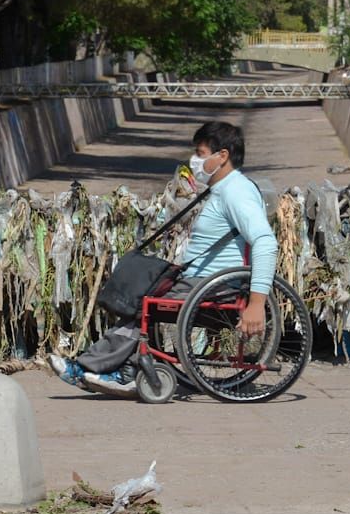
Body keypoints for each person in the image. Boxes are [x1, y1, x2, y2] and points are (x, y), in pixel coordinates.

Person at [49, 121, 279, 395]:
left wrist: (256, 303)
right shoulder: (221, 190)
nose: (195, 161)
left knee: (141, 299)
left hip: (216, 287)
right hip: (197, 282)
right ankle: (119, 368)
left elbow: (265, 242)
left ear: (223, 156)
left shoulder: (236, 191)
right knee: (137, 286)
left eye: (201, 153)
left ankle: (99, 368)